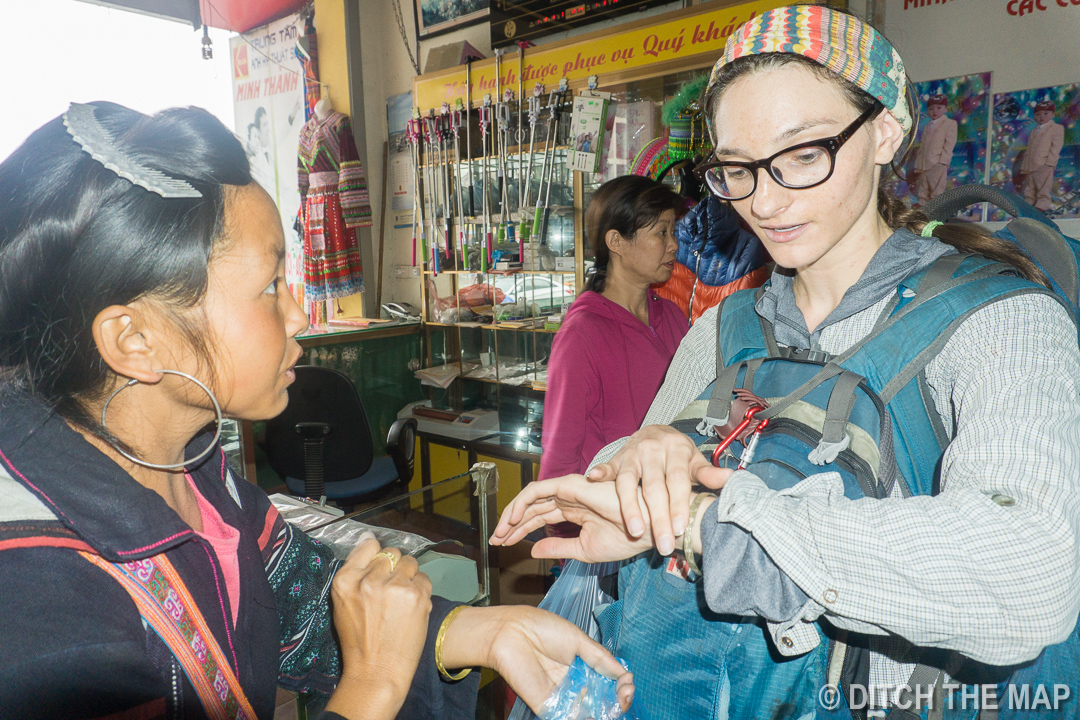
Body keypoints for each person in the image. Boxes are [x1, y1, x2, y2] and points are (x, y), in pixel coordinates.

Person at [493, 6, 1080, 719]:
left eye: (804, 154)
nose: (765, 202)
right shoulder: (721, 329)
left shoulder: (1000, 320)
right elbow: (641, 473)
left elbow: (1028, 570)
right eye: (736, 169)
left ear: (886, 131)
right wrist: (639, 456)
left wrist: (715, 528)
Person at [0, 102, 634, 719]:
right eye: (271, 286)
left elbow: (303, 607)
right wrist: (373, 687)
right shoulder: (38, 602)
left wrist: (484, 631)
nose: (299, 314)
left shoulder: (197, 474)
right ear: (135, 341)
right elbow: (359, 658)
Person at [538, 177, 687, 521]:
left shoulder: (672, 317)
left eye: (673, 232)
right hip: (609, 520)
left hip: (666, 509)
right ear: (617, 241)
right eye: (661, 233)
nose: (674, 244)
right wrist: (568, 539)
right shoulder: (582, 334)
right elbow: (560, 456)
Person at [1020, 100, 1065, 212]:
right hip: (1031, 165)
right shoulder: (1034, 130)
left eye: (1046, 113)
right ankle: (1029, 203)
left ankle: (1042, 205)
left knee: (1043, 187)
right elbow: (1030, 148)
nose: (1041, 117)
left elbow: (1056, 147)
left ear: (1052, 114)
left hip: (1044, 164)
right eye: (1038, 114)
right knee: (1030, 187)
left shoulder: (1056, 128)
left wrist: (1049, 163)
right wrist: (1026, 164)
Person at [912, 93, 957, 203]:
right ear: (927, 111)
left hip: (938, 162)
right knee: (924, 186)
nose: (935, 111)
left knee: (936, 188)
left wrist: (943, 162)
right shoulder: (927, 126)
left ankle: (935, 205)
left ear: (946, 109)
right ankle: (922, 203)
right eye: (931, 108)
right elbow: (923, 146)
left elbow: (949, 144)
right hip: (925, 163)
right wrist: (919, 163)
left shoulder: (949, 123)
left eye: (939, 108)